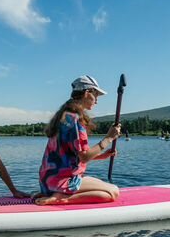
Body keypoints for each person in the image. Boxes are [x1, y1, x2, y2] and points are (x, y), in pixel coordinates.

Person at [36, 76, 121, 205]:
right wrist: (109, 138)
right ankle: (62, 198)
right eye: (96, 96)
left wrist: (101, 156)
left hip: (47, 182)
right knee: (113, 191)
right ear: (87, 93)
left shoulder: (64, 116)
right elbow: (84, 157)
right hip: (63, 181)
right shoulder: (75, 120)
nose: (96, 101)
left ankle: (55, 194)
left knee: (108, 192)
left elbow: (71, 156)